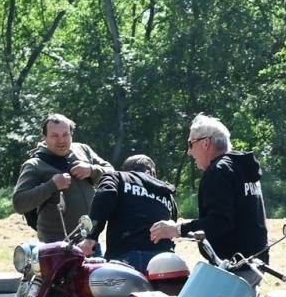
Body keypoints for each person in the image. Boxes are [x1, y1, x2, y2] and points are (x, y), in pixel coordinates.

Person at [150, 114, 268, 283]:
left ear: (206, 142)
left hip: (232, 267)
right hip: (256, 264)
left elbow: (218, 222)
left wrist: (176, 229)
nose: (189, 152)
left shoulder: (219, 171)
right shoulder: (241, 168)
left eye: (190, 144)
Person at [12, 114, 113, 245]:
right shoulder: (34, 165)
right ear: (44, 138)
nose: (61, 140)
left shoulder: (83, 150)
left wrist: (91, 170)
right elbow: (19, 203)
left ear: (71, 135)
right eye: (54, 136)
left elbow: (112, 173)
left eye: (65, 135)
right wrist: (52, 185)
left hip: (90, 241)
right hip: (56, 245)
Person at [85, 154, 177, 272]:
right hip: (165, 261)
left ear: (126, 170)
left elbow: (104, 195)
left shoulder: (117, 177)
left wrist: (91, 236)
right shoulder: (167, 193)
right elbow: (172, 226)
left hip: (126, 257)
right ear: (152, 171)